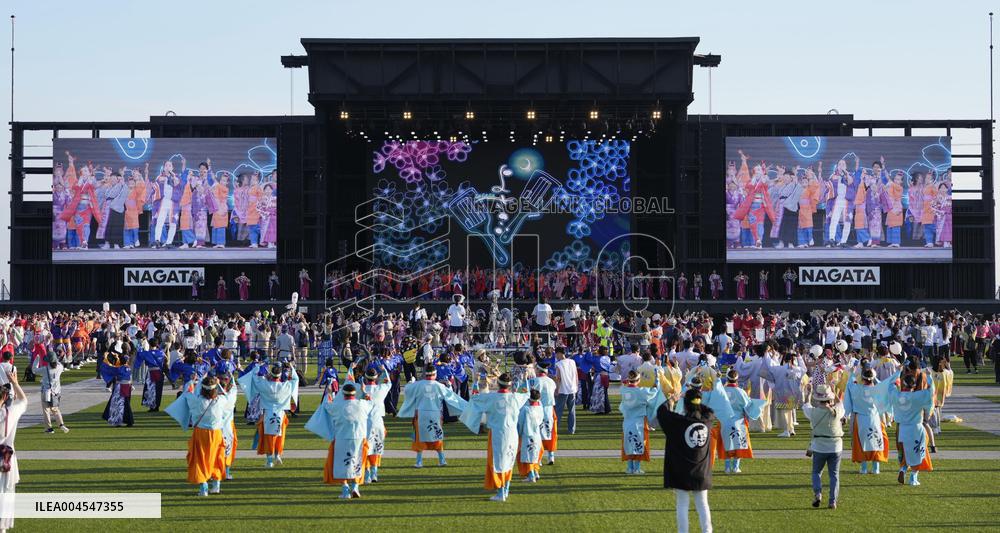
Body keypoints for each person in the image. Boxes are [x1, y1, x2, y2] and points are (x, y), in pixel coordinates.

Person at [305, 369, 376, 500]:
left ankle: (345, 489)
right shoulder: (362, 404)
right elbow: (370, 402)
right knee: (357, 462)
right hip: (359, 437)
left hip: (342, 437)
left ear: (343, 394)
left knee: (341, 463)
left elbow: (326, 405)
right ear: (355, 394)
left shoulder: (338, 406)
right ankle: (355, 486)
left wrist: (329, 393)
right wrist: (365, 391)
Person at [459, 372, 530, 502]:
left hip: (497, 433)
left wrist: (475, 382)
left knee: (498, 462)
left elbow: (474, 398)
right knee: (508, 460)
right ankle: (506, 489)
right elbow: (526, 393)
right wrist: (524, 380)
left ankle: (501, 492)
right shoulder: (515, 397)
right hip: (512, 433)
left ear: (498, 384)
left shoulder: (490, 397)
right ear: (510, 385)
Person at [165, 375, 239, 496]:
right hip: (216, 433)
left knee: (200, 459)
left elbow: (188, 392)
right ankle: (216, 485)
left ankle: (203, 486)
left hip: (201, 433)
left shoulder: (196, 400)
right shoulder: (221, 400)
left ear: (203, 389)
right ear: (215, 389)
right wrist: (220, 384)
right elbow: (230, 397)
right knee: (217, 458)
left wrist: (195, 380)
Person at [656, 388, 714, 533]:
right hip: (701, 471)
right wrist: (696, 401)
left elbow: (661, 412)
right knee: (703, 504)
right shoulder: (707, 420)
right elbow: (709, 410)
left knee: (682, 505)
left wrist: (672, 399)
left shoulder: (679, 423)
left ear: (686, 405)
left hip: (681, 470)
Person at [397, 364, 468, 467]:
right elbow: (450, 396)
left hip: (421, 413)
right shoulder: (439, 385)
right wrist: (449, 386)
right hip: (435, 413)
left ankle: (419, 462)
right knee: (437, 436)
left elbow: (408, 389)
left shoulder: (418, 384)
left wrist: (411, 381)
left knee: (420, 438)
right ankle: (442, 459)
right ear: (435, 374)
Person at [238, 362, 298, 468]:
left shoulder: (264, 384)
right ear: (280, 375)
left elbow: (255, 377)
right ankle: (278, 455)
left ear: (271, 374)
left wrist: (258, 366)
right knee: (279, 436)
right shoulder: (285, 385)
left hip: (267, 413)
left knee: (268, 437)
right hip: (281, 413)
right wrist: (291, 367)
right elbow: (295, 379)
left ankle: (269, 460)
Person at [843, 367, 900, 474]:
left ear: (863, 378)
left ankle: (863, 468)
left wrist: (852, 373)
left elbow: (850, 384)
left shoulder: (856, 388)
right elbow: (889, 382)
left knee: (861, 442)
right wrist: (897, 372)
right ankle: (876, 467)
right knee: (876, 440)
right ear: (872, 378)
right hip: (874, 419)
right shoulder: (877, 389)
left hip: (860, 420)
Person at [802, 383, 844, 509]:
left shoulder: (813, 412)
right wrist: (834, 391)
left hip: (819, 446)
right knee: (834, 475)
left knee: (816, 472)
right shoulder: (837, 411)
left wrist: (808, 394)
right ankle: (832, 501)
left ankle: (818, 493)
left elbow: (806, 405)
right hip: (835, 446)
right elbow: (840, 403)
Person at [890, 371, 935, 486]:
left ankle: (903, 470)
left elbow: (890, 386)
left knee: (906, 453)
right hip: (916, 427)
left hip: (903, 429)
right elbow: (931, 392)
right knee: (918, 452)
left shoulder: (897, 395)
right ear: (914, 385)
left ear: (903, 384)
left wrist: (897, 375)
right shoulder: (918, 396)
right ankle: (913, 477)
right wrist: (929, 377)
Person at [717, 368, 766, 473]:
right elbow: (748, 405)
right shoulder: (741, 392)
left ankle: (727, 467)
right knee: (739, 443)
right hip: (739, 421)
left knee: (726, 443)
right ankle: (736, 467)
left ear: (727, 379)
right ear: (737, 380)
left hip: (725, 421)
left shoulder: (722, 391)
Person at [619, 370, 665, 475]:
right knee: (639, 442)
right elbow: (654, 392)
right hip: (639, 421)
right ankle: (637, 468)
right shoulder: (642, 391)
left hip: (627, 421)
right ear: (638, 380)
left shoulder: (623, 390)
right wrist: (657, 380)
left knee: (629, 442)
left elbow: (623, 386)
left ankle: (629, 467)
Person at [0, 371, 28, 533]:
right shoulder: (10, 412)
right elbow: (24, 401)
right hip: (7, 461)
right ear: (4, 398)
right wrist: (15, 383)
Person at [360, 367, 392, 483]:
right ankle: (374, 473)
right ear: (376, 377)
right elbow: (389, 383)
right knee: (376, 448)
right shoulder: (381, 388)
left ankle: (367, 473)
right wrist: (384, 370)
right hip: (378, 422)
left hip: (364, 423)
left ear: (366, 378)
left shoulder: (361, 389)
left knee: (365, 448)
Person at [34, 352, 69, 434]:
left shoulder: (45, 369)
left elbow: (34, 370)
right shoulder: (60, 367)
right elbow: (59, 363)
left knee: (46, 410)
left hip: (46, 392)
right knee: (55, 409)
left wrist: (37, 360)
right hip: (56, 392)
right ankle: (61, 424)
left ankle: (49, 428)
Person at [516, 389, 544, 482]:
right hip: (537, 434)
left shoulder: (525, 409)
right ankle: (535, 472)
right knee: (534, 454)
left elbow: (520, 422)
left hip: (527, 434)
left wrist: (518, 433)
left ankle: (531, 475)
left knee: (529, 455)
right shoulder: (540, 407)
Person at [532, 362, 558, 464]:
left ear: (538, 370)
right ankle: (551, 455)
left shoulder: (534, 381)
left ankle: (539, 457)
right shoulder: (551, 381)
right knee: (551, 433)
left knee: (537, 433)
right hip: (550, 409)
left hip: (537, 409)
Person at [134, 338, 167, 412]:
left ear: (149, 344)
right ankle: (157, 406)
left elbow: (139, 354)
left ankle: (152, 406)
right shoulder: (161, 352)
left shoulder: (147, 353)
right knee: (158, 389)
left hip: (151, 372)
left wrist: (140, 345)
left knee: (150, 389)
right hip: (159, 371)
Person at [552, 348, 578, 435]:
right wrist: (576, 386)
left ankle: (555, 429)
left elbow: (558, 378)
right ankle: (572, 429)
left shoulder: (558, 364)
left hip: (563, 390)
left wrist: (557, 390)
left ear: (559, 353)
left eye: (556, 354)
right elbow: (576, 375)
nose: (556, 356)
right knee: (571, 410)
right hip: (572, 388)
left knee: (558, 411)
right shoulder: (572, 362)